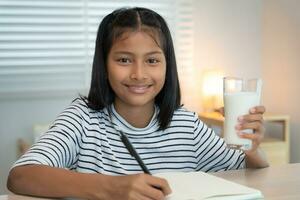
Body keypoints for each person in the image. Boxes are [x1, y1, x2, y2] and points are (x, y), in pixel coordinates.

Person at [7, 7, 268, 200]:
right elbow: (21, 176)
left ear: (168, 65)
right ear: (104, 65)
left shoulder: (186, 124)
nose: (139, 74)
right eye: (124, 60)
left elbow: (248, 172)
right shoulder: (82, 119)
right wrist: (113, 187)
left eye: (152, 61)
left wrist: (252, 147)